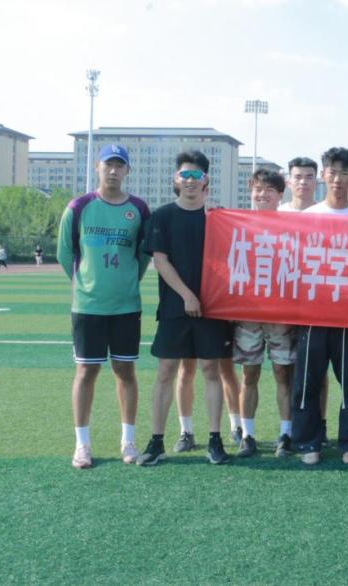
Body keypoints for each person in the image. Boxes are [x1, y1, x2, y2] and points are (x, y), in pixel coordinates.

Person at [137, 150, 234, 466]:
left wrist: (206, 298)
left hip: (212, 309)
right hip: (174, 308)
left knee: (210, 370)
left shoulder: (218, 218)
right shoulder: (162, 216)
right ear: (175, 179)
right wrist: (187, 296)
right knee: (166, 371)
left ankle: (215, 440)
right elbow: (160, 261)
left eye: (196, 175)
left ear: (206, 180)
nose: (190, 181)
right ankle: (156, 441)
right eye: (185, 175)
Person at [58, 144, 150, 468]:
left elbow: (143, 255)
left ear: (127, 171)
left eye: (119, 165)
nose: (113, 171)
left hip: (126, 305)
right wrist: (84, 283)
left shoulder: (139, 209)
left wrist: (126, 282)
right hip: (88, 306)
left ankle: (128, 441)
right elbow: (65, 253)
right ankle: (82, 445)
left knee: (125, 371)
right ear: (97, 167)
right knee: (86, 371)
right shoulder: (79, 207)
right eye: (107, 164)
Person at [292, 147, 348, 466]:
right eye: (333, 172)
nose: (338, 179)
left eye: (344, 173)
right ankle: (307, 442)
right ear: (324, 175)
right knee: (308, 381)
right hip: (313, 314)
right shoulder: (309, 217)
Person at [232, 168, 297, 458]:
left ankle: (286, 433)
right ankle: (248, 435)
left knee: (283, 373)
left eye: (269, 190)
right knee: (249, 374)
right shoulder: (237, 224)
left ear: (280, 195)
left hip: (281, 315)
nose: (263, 194)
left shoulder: (292, 227)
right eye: (258, 189)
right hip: (248, 314)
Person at [278, 156, 330, 444]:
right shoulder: (278, 214)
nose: (303, 182)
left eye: (309, 177)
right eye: (297, 177)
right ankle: (288, 429)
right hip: (285, 302)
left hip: (317, 304)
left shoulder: (325, 214)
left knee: (318, 373)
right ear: (289, 181)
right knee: (285, 371)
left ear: (317, 180)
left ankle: (319, 425)